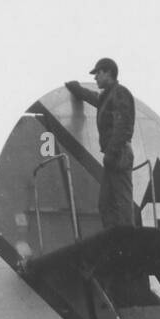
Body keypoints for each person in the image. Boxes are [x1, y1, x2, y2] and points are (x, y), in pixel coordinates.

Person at [66, 57, 138, 229]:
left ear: (108, 73)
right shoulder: (108, 97)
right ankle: (114, 239)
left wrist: (112, 153)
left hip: (119, 153)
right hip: (113, 154)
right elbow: (94, 98)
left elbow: (124, 126)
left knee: (121, 200)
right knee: (105, 203)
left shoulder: (120, 93)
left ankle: (127, 239)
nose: (95, 77)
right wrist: (77, 89)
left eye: (98, 73)